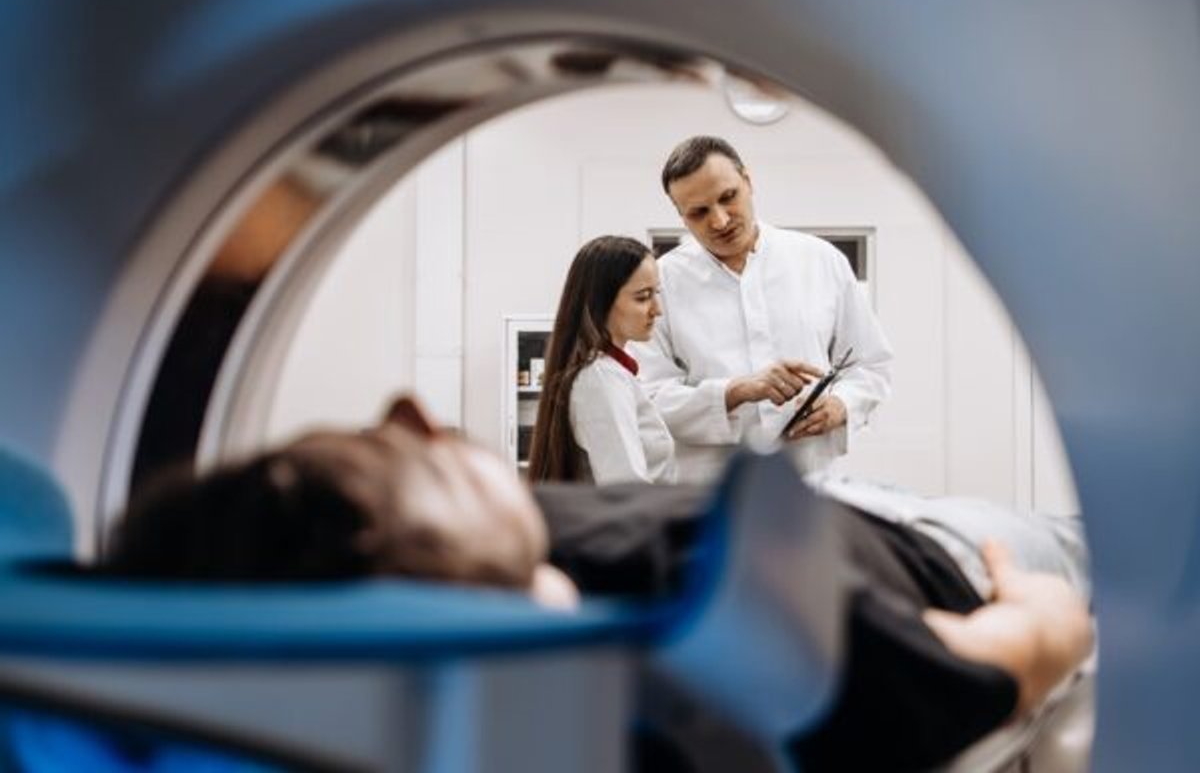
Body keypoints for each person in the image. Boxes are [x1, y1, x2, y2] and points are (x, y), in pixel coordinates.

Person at [106, 395, 1093, 771]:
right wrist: (1042, 611)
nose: (414, 415)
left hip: (825, 503)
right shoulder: (745, 636)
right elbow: (1031, 646)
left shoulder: (504, 546)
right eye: (400, 445)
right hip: (947, 549)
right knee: (1087, 542)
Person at [634, 135, 893, 482]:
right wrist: (737, 391)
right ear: (681, 216)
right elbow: (648, 400)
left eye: (728, 198)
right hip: (707, 490)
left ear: (748, 180)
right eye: (699, 213)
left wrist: (841, 405)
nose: (721, 221)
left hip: (809, 480)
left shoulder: (820, 261)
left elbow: (870, 365)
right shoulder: (661, 283)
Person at [528, 235, 677, 485]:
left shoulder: (607, 372)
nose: (657, 309)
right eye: (643, 297)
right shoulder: (601, 378)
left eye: (656, 293)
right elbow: (626, 490)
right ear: (601, 302)